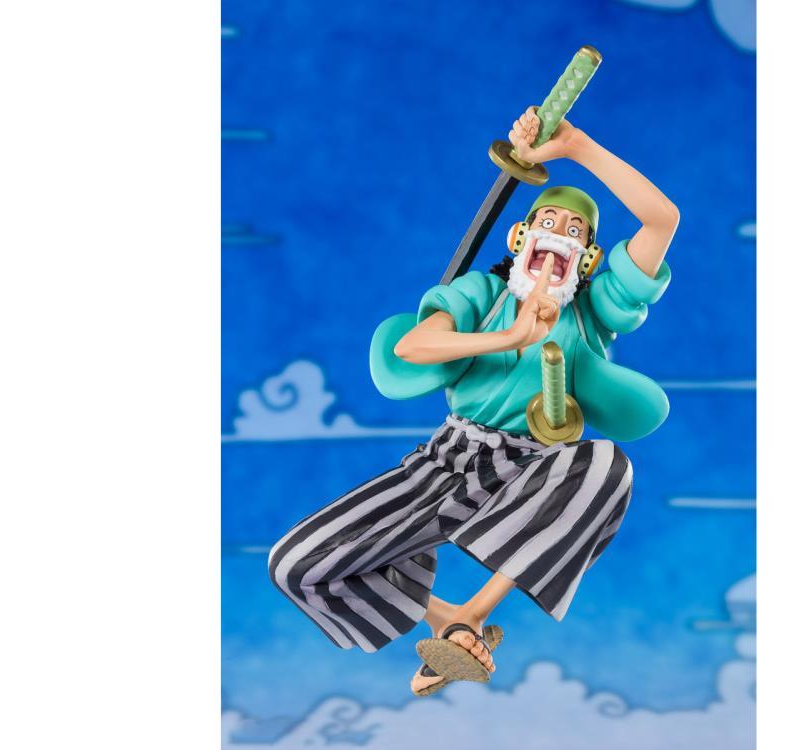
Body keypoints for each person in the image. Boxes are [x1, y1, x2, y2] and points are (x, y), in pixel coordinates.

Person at [268, 106, 680, 696]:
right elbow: (413, 347)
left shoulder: (595, 311)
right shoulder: (481, 294)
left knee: (608, 466)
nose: (556, 236)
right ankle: (450, 621)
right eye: (546, 223)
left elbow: (662, 219)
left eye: (573, 231)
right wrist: (509, 337)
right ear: (519, 238)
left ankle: (479, 611)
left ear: (588, 257)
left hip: (535, 468)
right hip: (446, 460)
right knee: (296, 565)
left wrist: (578, 147)